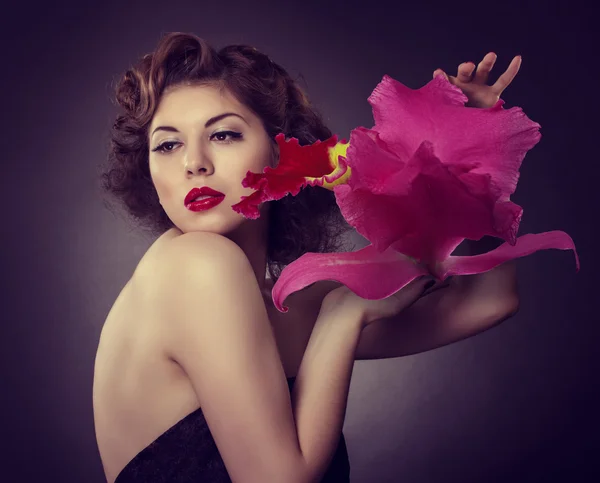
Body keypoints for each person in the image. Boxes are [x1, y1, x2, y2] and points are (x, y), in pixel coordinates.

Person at [93, 32, 520, 482]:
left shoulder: (282, 302)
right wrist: (342, 318)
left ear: (279, 149)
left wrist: (471, 148)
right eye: (167, 144)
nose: (194, 162)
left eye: (222, 134)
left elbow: (489, 300)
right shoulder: (195, 265)